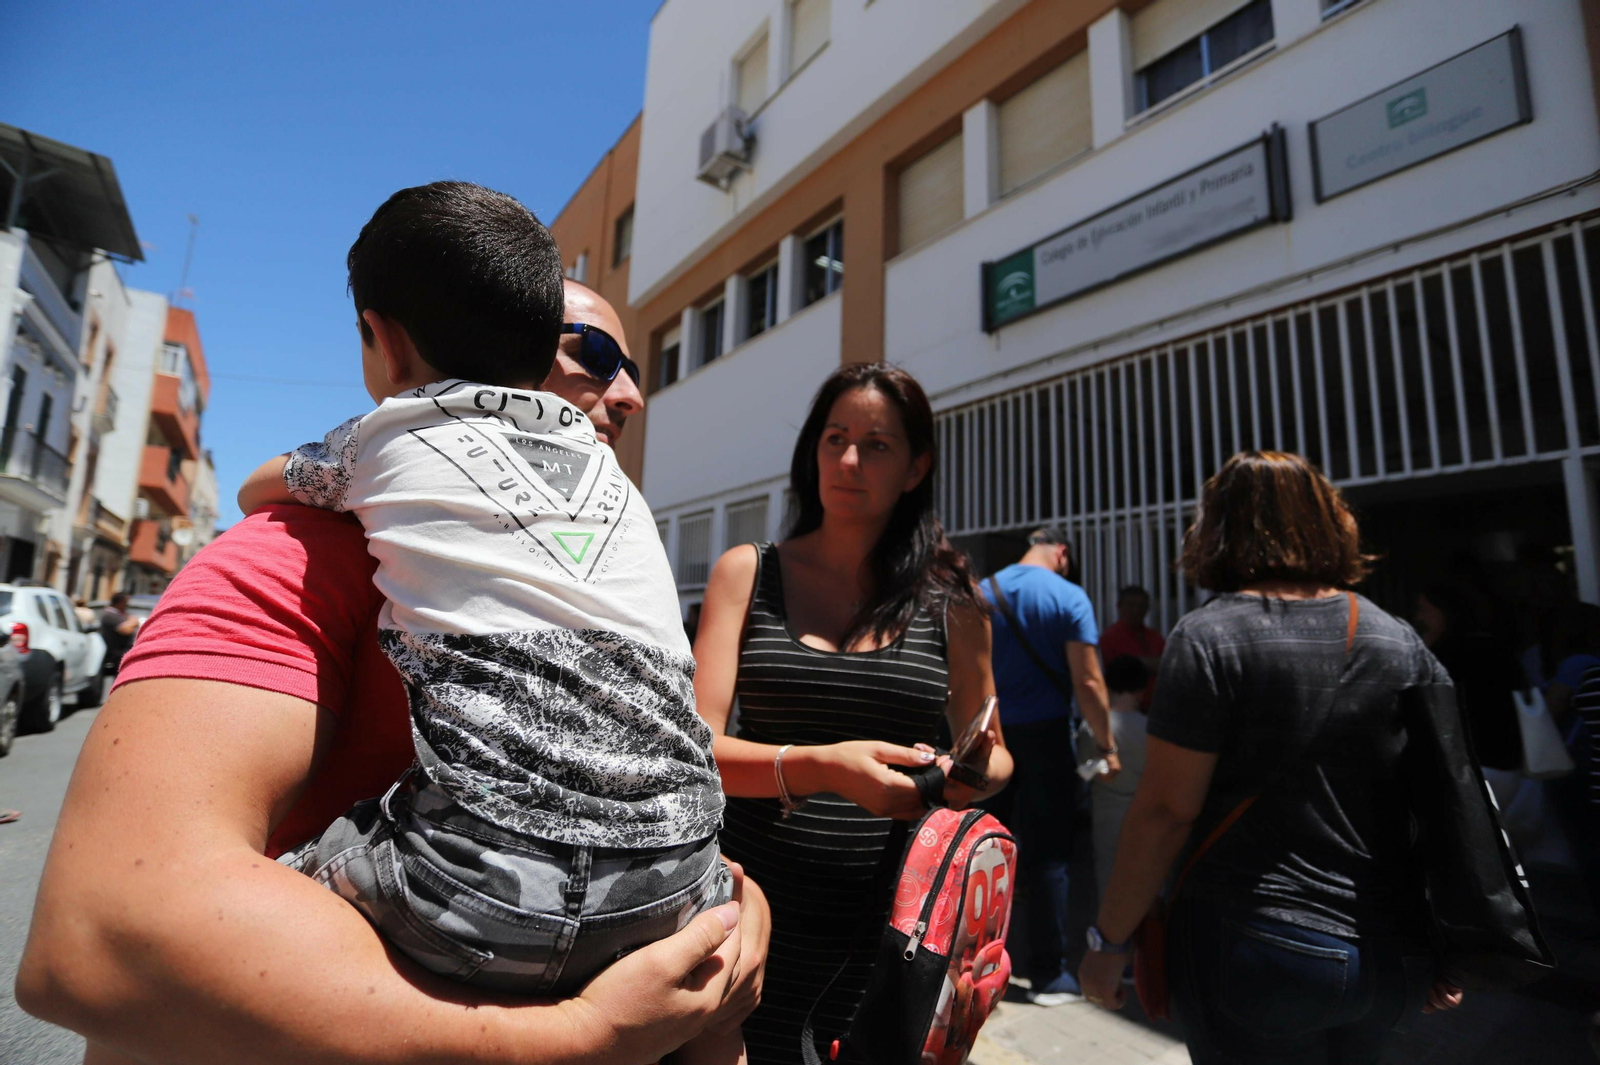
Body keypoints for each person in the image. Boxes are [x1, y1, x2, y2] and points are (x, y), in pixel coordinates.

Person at [17, 230, 768, 1064]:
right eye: (593, 353)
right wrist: (576, 1036)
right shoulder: (286, 560)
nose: (628, 393)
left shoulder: (619, 576)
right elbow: (100, 941)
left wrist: (737, 912)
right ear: (501, 348)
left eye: (632, 368)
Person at [231, 183, 740, 1064]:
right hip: (684, 883)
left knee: (224, 936)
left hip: (481, 885)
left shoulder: (389, 433)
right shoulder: (614, 483)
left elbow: (259, 487)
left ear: (383, 339)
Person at [1080, 450, 1462, 1064]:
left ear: (1217, 527)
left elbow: (1167, 811)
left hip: (1256, 948)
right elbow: (1441, 797)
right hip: (1388, 948)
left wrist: (1109, 941)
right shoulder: (1398, 639)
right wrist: (1447, 936)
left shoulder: (1210, 637)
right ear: (1330, 520)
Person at [691, 363, 1012, 1065]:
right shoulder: (747, 572)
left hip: (894, 928)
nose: (848, 461)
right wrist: (823, 768)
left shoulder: (951, 595)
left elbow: (994, 748)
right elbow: (695, 749)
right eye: (834, 438)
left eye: (877, 445)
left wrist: (968, 772)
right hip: (746, 912)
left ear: (916, 467)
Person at [980, 526, 1118, 1005]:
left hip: (991, 735)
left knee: (983, 848)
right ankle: (1048, 976)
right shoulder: (1068, 596)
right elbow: (1089, 680)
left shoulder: (981, 592)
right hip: (1046, 734)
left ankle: (970, 965)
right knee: (1050, 855)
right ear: (1062, 552)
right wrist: (1107, 745)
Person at [1413, 582, 1521, 771]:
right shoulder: (1497, 648)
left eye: (1425, 610)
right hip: (1506, 760)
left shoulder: (1445, 655)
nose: (1419, 617)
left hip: (1468, 763)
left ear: (1445, 611)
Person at [1091, 655, 1150, 905]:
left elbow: (1085, 772)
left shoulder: (1093, 728)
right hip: (1145, 815)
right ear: (1142, 690)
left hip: (1106, 816)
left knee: (1108, 881)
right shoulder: (1153, 729)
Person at [1099, 585, 1164, 708]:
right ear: (1119, 606)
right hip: (1125, 709)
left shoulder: (1155, 636)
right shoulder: (1110, 638)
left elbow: (1168, 665)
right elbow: (1119, 671)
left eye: (1141, 606)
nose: (1136, 610)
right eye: (1131, 605)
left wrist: (1138, 663)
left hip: (1156, 706)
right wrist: (1149, 664)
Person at [97, 592, 139, 675]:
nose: (127, 605)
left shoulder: (121, 614)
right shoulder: (109, 615)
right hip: (115, 653)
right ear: (120, 602)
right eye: (126, 602)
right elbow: (125, 630)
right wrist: (134, 621)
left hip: (122, 652)